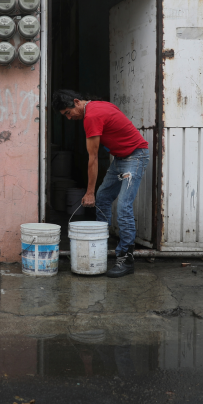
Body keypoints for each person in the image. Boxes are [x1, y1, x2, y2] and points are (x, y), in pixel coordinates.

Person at [52, 90, 150, 278]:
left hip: (135, 156)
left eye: (68, 113)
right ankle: (99, 245)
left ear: (76, 102)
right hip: (121, 157)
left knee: (123, 206)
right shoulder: (96, 106)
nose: (69, 118)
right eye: (65, 116)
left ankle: (125, 258)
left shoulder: (92, 116)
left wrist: (89, 192)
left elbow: (93, 158)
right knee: (104, 198)